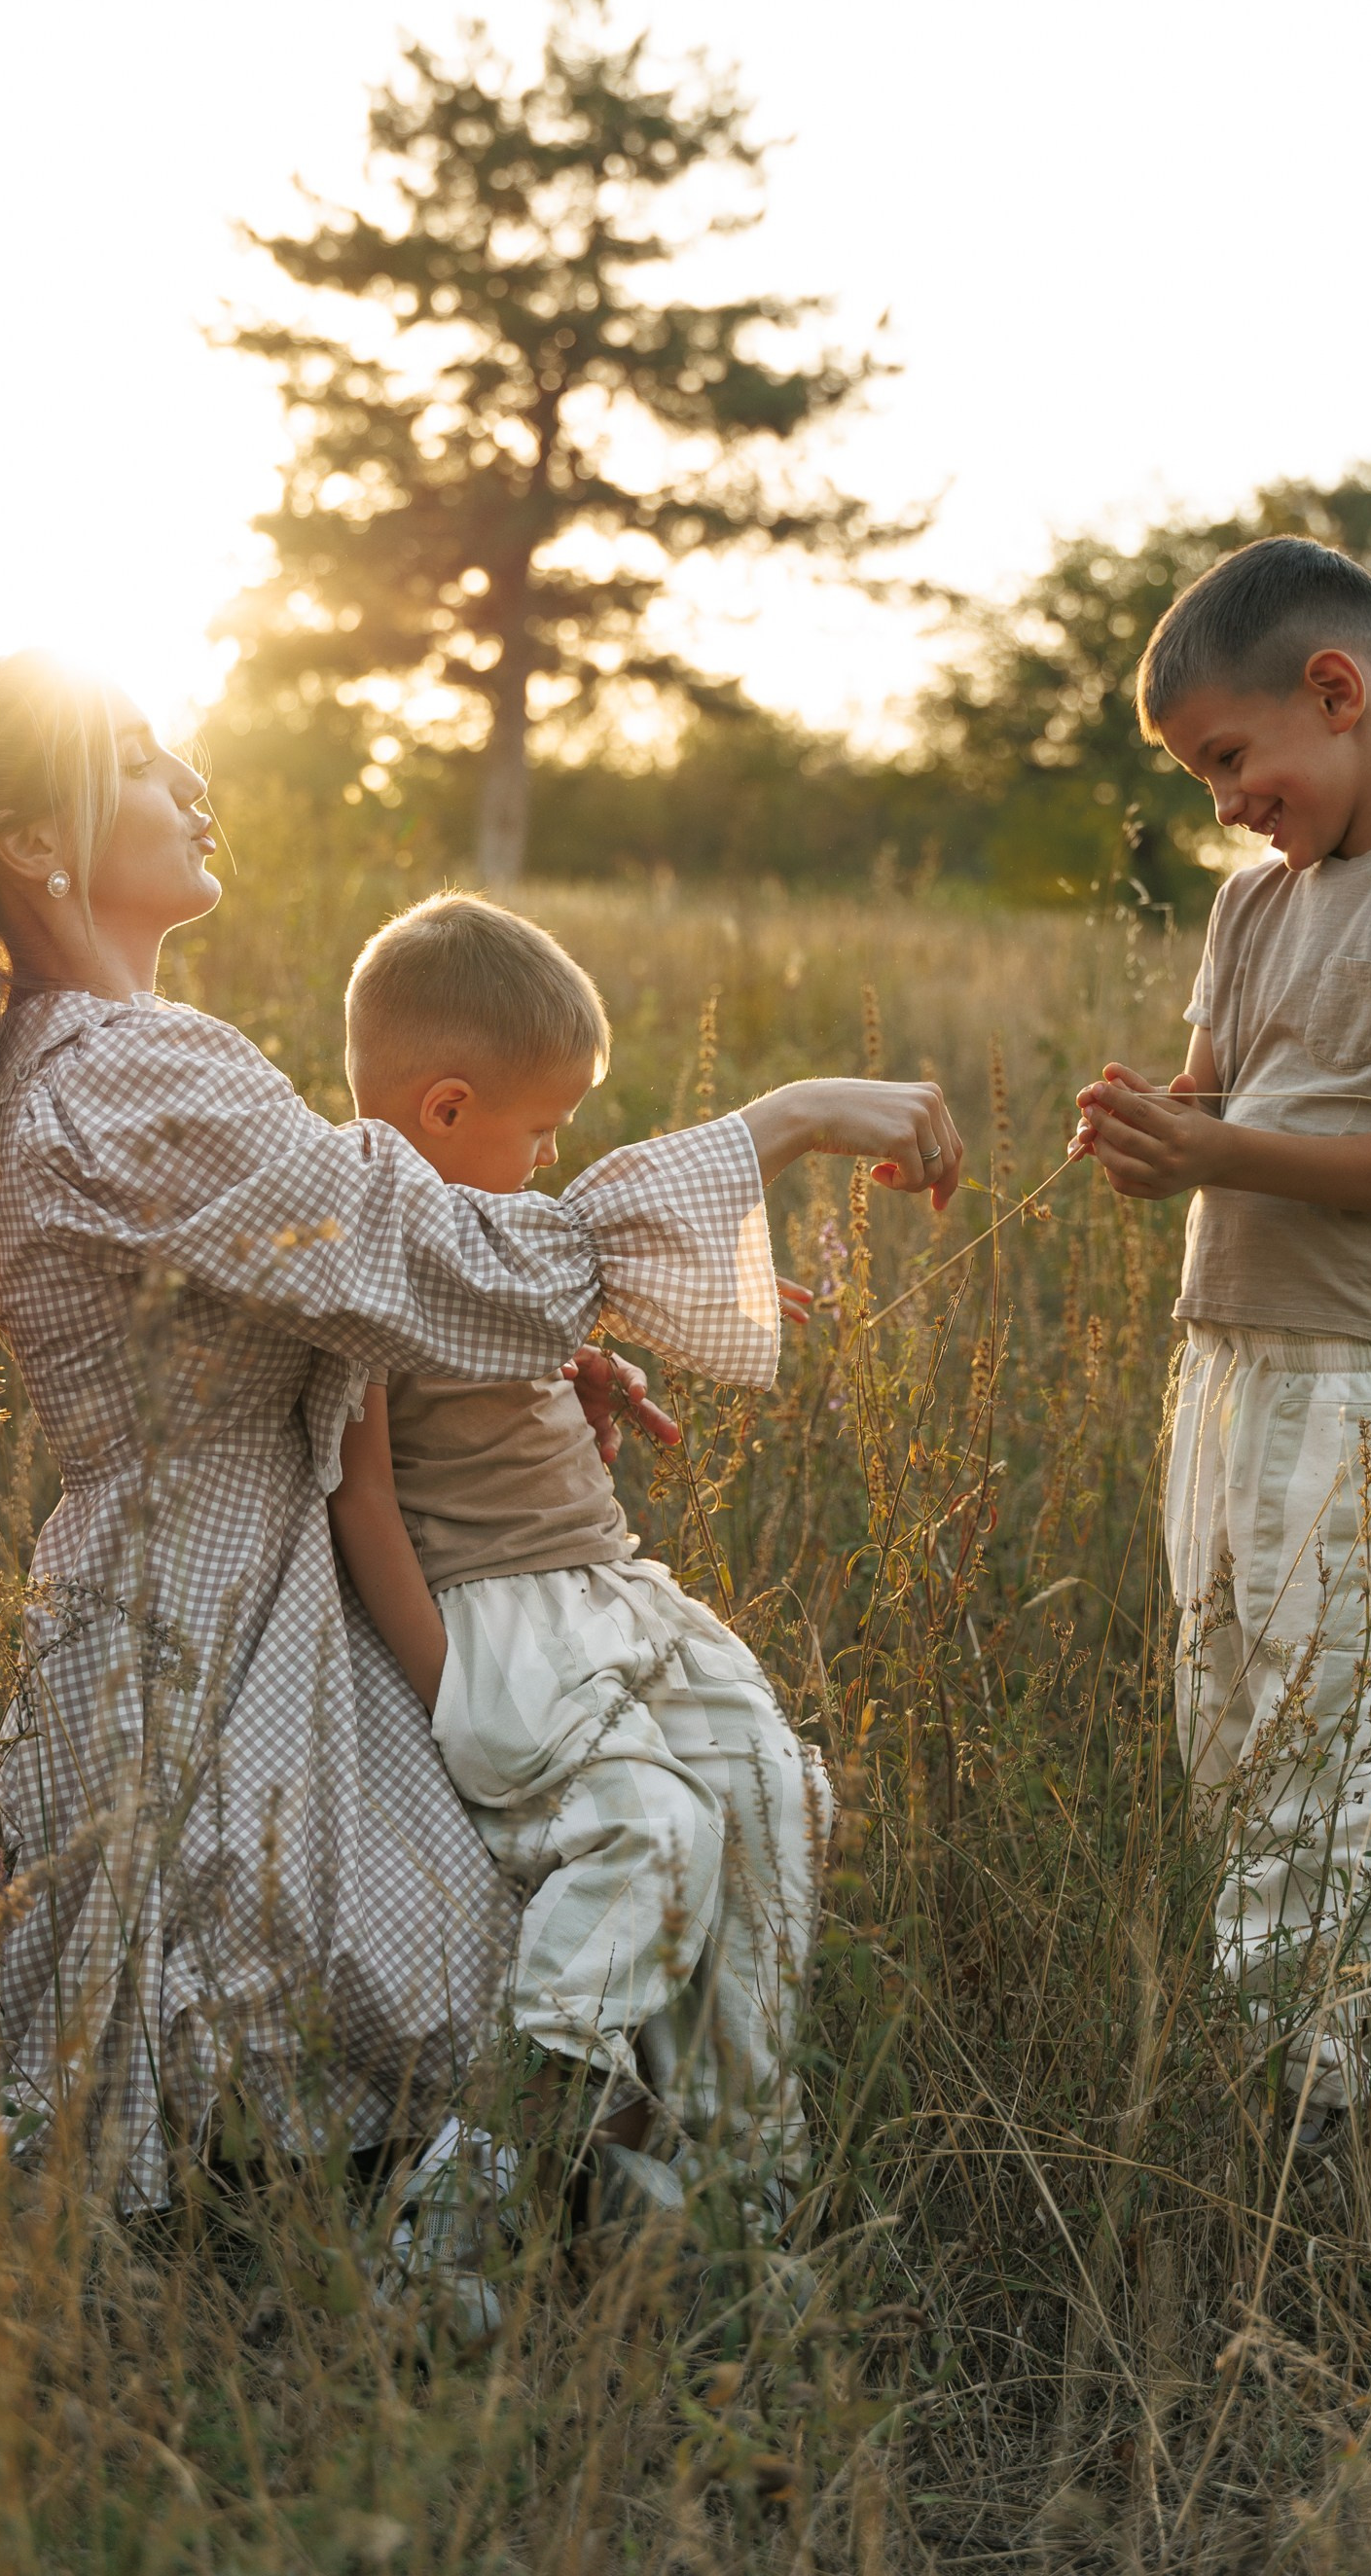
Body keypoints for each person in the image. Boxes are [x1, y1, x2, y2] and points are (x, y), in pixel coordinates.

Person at [0, 653, 965, 2211]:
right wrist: (780, 1119)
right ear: (38, 848)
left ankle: (539, 2214)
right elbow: (448, 1260)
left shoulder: (90, 1062)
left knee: (520, 1929)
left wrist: (511, 1378)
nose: (191, 779)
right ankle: (474, 2248)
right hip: (222, 1624)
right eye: (139, 760)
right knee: (421, 1985)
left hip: (211, 1591)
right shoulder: (135, 1072)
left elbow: (335, 1307)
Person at [1072, 539, 1371, 2143]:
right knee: (1226, 1722)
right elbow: (1220, 1091)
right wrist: (1157, 1120)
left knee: (1334, 1741)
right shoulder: (1249, 907)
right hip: (1220, 1368)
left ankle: (1306, 2111)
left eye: (1230, 758)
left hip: (1362, 1387)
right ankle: (1256, 2068)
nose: (1224, 801)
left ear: (1333, 693)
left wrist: (1213, 1152)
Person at [325, 892, 830, 2231]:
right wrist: (442, 1688)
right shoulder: (369, 1253)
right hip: (501, 1624)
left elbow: (506, 1317)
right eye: (539, 1130)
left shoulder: (486, 1245)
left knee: (770, 1787)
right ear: (444, 1110)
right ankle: (480, 2192)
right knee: (650, 1835)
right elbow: (364, 1495)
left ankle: (725, 2157)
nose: (553, 1159)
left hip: (612, 1594)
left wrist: (578, 1352)